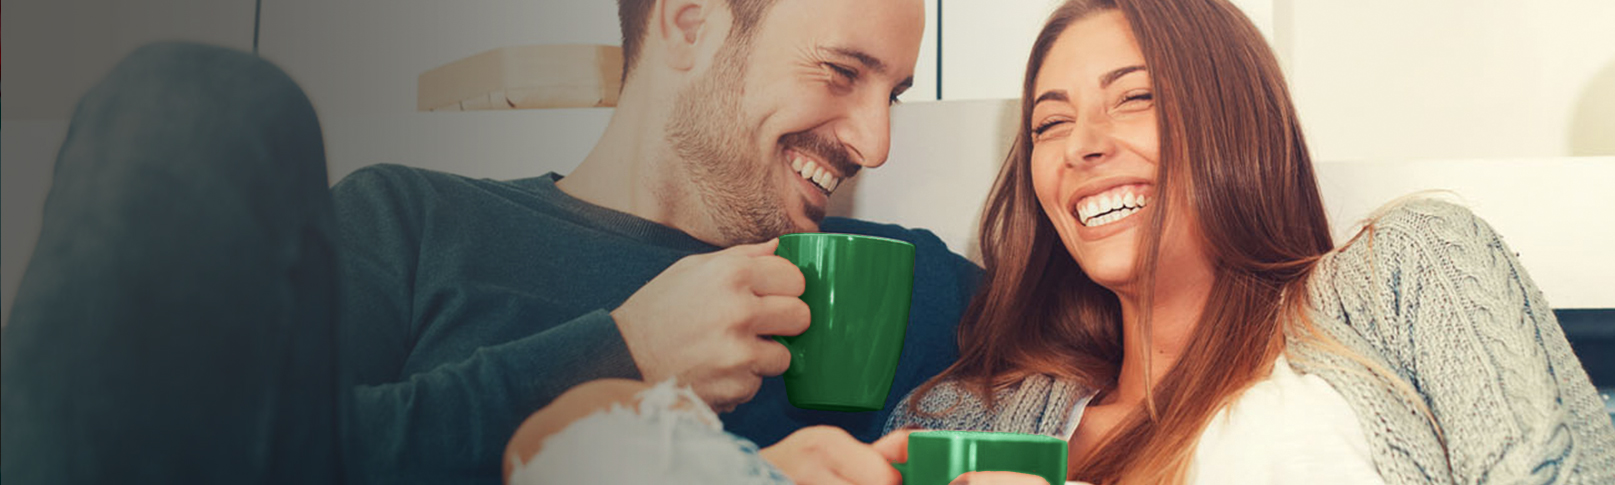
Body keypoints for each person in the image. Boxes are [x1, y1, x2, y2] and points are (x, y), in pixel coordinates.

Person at [0, 0, 980, 484]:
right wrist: (623, 348)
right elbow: (222, 454)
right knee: (194, 101)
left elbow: (1128, 355)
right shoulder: (409, 225)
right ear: (687, 21)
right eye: (841, 72)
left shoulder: (908, 279)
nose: (873, 140)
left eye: (889, 93)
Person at [883, 0, 1615, 484]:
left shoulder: (1406, 273)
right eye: (1047, 124)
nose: (1080, 145)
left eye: (1133, 97)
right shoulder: (959, 419)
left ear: (1234, 120)